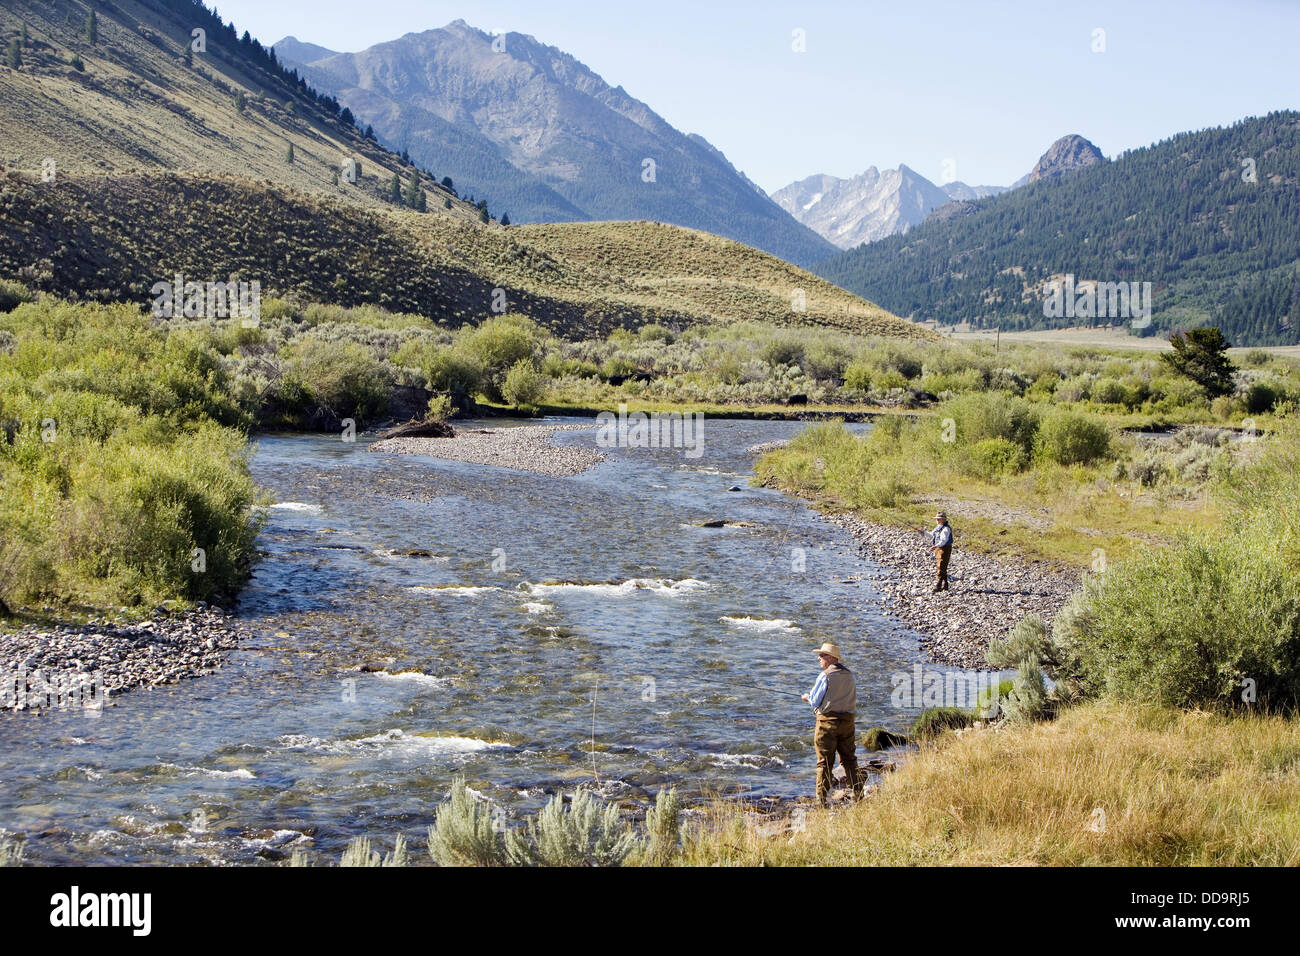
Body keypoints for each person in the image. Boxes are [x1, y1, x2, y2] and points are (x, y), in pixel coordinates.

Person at [800, 642, 862, 806]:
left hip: (827, 723)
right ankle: (858, 793)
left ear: (830, 658)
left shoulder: (825, 676)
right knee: (849, 759)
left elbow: (815, 701)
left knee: (824, 762)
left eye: (821, 655)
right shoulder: (849, 675)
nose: (819, 659)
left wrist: (807, 698)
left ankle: (821, 800)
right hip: (848, 722)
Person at [916, 511, 953, 592]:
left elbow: (944, 540)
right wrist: (923, 533)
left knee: (941, 565)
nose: (937, 521)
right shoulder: (938, 528)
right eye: (937, 519)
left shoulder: (946, 529)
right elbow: (932, 535)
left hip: (945, 549)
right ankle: (945, 584)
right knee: (942, 566)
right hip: (939, 548)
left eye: (939, 519)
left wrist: (935, 546)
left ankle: (939, 585)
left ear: (943, 520)